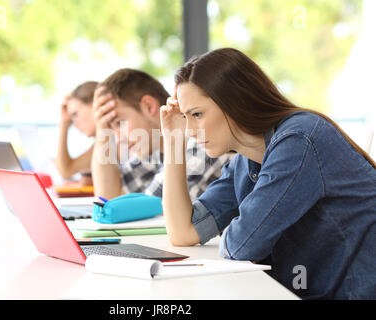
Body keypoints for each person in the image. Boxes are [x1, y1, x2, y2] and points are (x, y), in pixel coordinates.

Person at [160, 48, 376, 299]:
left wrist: (237, 227)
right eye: (185, 117)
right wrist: (173, 142)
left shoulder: (299, 140)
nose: (189, 130)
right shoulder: (245, 161)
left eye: (197, 114)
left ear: (234, 102)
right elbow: (183, 232)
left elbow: (242, 244)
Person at [91, 68, 233, 200]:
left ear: (148, 106)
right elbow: (108, 200)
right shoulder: (153, 152)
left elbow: (145, 209)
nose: (117, 139)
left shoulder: (198, 142)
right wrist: (101, 131)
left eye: (119, 123)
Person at [56, 81, 98, 180]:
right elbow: (66, 171)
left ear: (95, 104)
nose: (74, 124)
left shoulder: (117, 139)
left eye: (75, 114)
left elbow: (66, 171)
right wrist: (64, 124)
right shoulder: (104, 141)